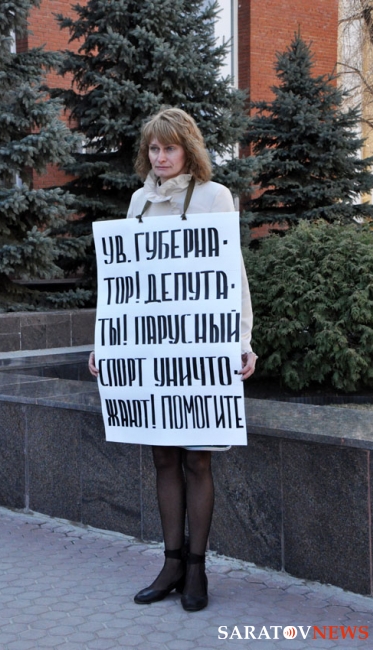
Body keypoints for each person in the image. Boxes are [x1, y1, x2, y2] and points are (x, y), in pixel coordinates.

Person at [89, 107, 257, 612]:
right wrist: (105, 343)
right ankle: (171, 564)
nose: (160, 157)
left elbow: (232, 275)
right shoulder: (139, 200)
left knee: (197, 458)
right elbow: (122, 282)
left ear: (188, 149)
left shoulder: (214, 196)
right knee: (163, 456)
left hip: (198, 350)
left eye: (169, 148)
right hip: (152, 351)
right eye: (154, 149)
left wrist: (242, 341)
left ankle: (198, 568)